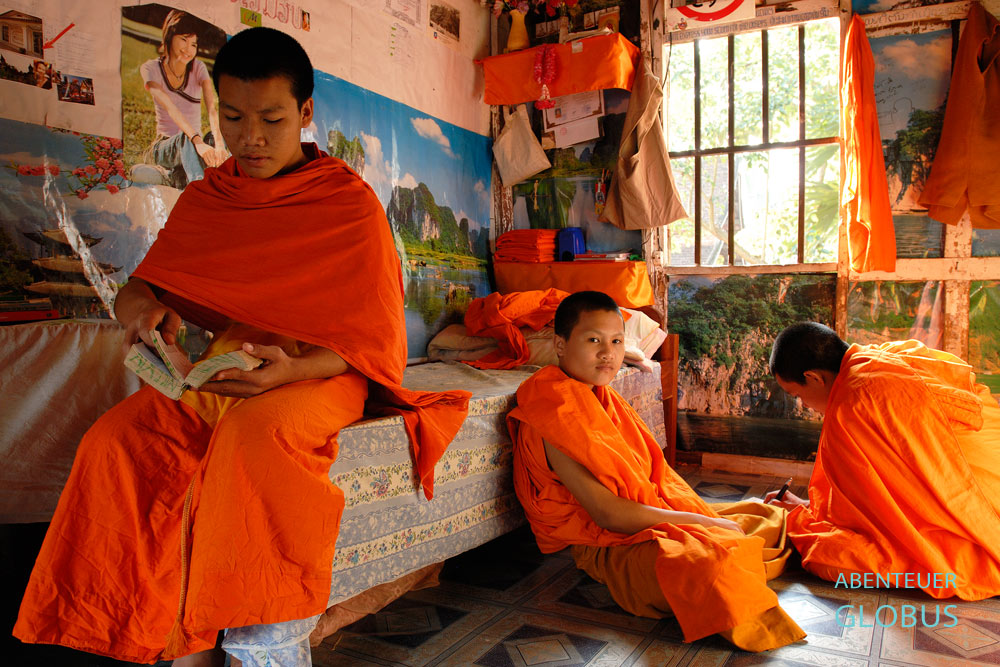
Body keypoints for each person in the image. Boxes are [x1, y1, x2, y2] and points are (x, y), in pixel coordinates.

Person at [14, 27, 469, 667]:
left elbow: (371, 341)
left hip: (322, 367)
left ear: (305, 114)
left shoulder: (348, 205)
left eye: (272, 119)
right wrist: (146, 315)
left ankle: (265, 641)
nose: (249, 137)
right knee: (115, 442)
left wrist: (294, 370)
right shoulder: (212, 197)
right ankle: (156, 636)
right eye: (231, 117)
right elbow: (138, 289)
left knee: (252, 442)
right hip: (234, 363)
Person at [507, 291, 805, 652]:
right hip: (609, 544)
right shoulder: (553, 410)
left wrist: (703, 521)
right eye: (593, 340)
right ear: (559, 343)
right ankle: (734, 563)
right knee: (710, 563)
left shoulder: (600, 394)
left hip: (641, 515)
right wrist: (706, 524)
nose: (608, 353)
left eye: (617, 341)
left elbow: (650, 479)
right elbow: (608, 515)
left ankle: (739, 547)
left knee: (762, 515)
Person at [766, 322, 1000, 599]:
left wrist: (800, 517)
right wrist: (807, 506)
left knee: (826, 552)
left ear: (815, 377)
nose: (803, 404)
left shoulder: (852, 403)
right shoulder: (887, 356)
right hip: (987, 485)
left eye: (797, 395)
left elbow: (865, 515)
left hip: (978, 521)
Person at [135, 9, 227, 188]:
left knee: (221, 135)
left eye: (193, 44)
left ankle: (175, 178)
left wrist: (219, 144)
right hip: (166, 146)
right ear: (170, 36)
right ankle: (199, 192)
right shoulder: (150, 69)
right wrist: (197, 142)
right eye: (184, 40)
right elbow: (171, 109)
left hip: (193, 146)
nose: (189, 49)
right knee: (186, 138)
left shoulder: (198, 68)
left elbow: (212, 109)